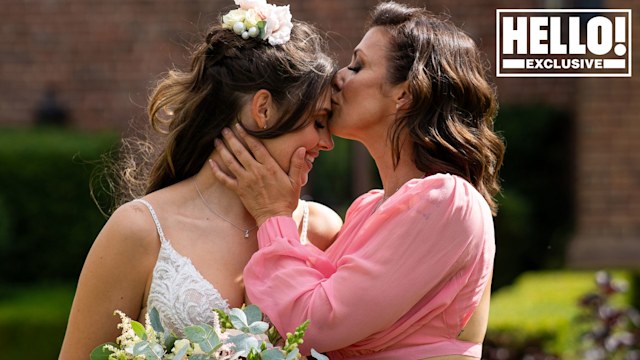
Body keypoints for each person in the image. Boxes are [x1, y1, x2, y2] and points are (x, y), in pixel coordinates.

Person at [209, 1, 506, 359]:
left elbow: (312, 325)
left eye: (358, 65)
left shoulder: (447, 200)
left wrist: (273, 215)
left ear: (405, 94)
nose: (338, 76)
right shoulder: (367, 208)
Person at [59, 1, 343, 358]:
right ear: (264, 109)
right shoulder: (140, 230)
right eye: (318, 122)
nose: (327, 142)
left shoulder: (322, 230)